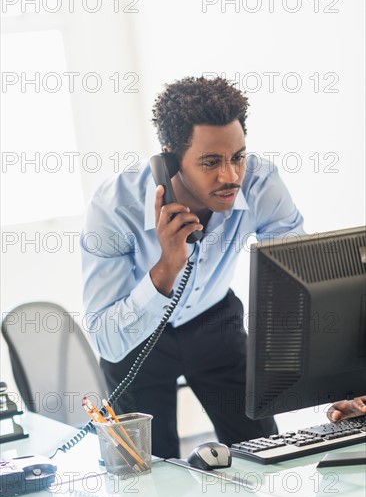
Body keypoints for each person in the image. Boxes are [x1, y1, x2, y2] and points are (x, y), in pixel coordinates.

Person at [81, 76, 305, 459]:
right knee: (146, 474)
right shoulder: (114, 207)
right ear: (170, 160)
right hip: (136, 340)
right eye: (210, 162)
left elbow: (300, 279)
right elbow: (107, 341)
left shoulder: (260, 182)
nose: (230, 176)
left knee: (265, 456)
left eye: (238, 156)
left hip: (215, 322)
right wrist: (167, 266)